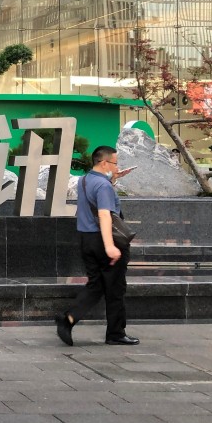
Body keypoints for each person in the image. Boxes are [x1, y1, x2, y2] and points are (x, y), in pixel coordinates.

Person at [56, 145, 139, 347]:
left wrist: (114, 178)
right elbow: (104, 215)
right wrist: (110, 246)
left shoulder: (85, 180)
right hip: (104, 241)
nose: (117, 167)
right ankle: (115, 333)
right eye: (115, 163)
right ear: (103, 163)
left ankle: (69, 318)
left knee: (96, 284)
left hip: (86, 240)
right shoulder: (103, 186)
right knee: (115, 288)